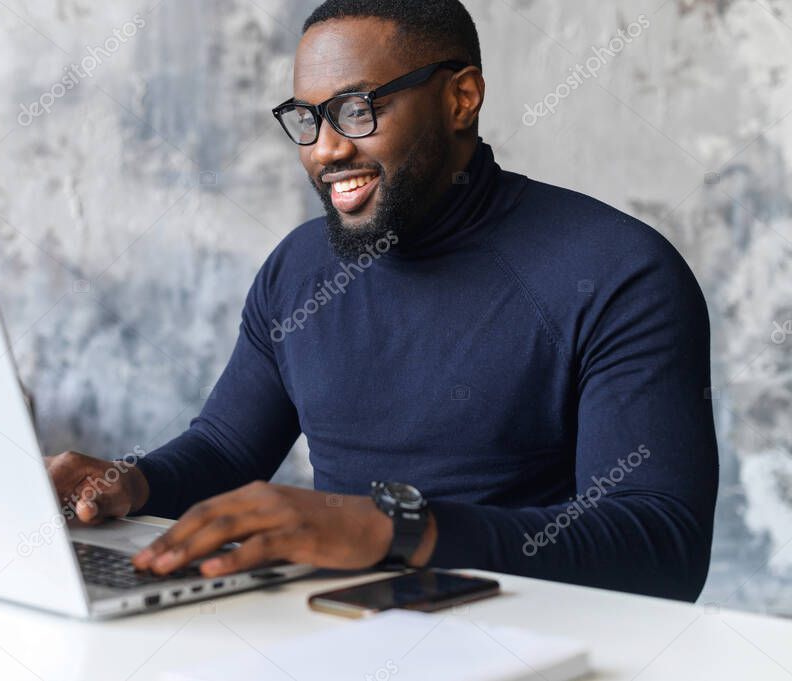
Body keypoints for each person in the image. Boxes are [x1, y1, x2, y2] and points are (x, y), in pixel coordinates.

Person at [46, 0, 718, 601]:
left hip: (527, 639)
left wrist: (397, 528)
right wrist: (132, 483)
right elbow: (224, 449)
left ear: (462, 97)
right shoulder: (298, 269)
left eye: (357, 109)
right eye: (306, 119)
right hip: (331, 629)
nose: (327, 149)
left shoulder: (617, 271)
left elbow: (659, 544)